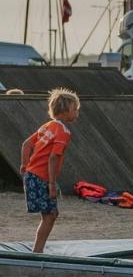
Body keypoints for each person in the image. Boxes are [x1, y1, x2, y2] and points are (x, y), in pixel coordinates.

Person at [19, 88, 79, 253]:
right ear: (66, 111)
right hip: (42, 178)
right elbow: (53, 158)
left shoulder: (47, 126)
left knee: (50, 214)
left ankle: (38, 250)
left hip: (31, 175)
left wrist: (24, 166)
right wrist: (52, 184)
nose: (77, 113)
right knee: (50, 215)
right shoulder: (63, 131)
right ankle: (37, 251)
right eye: (75, 109)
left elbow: (26, 145)